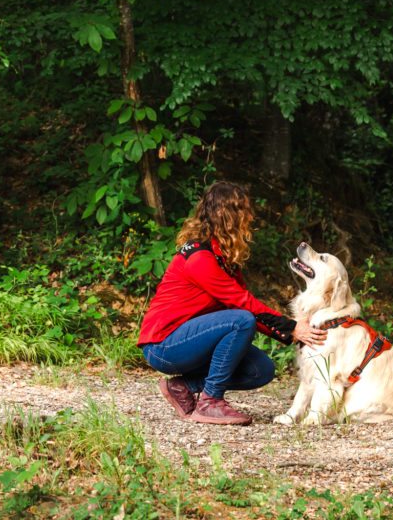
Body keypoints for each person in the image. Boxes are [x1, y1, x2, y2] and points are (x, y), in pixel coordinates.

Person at [137, 181, 325, 425]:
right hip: (163, 344)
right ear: (229, 216)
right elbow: (244, 306)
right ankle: (210, 401)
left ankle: (183, 387)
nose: (250, 217)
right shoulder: (200, 258)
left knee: (261, 369)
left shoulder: (223, 258)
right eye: (244, 211)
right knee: (240, 320)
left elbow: (248, 309)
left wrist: (291, 333)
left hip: (190, 340)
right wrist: (290, 328)